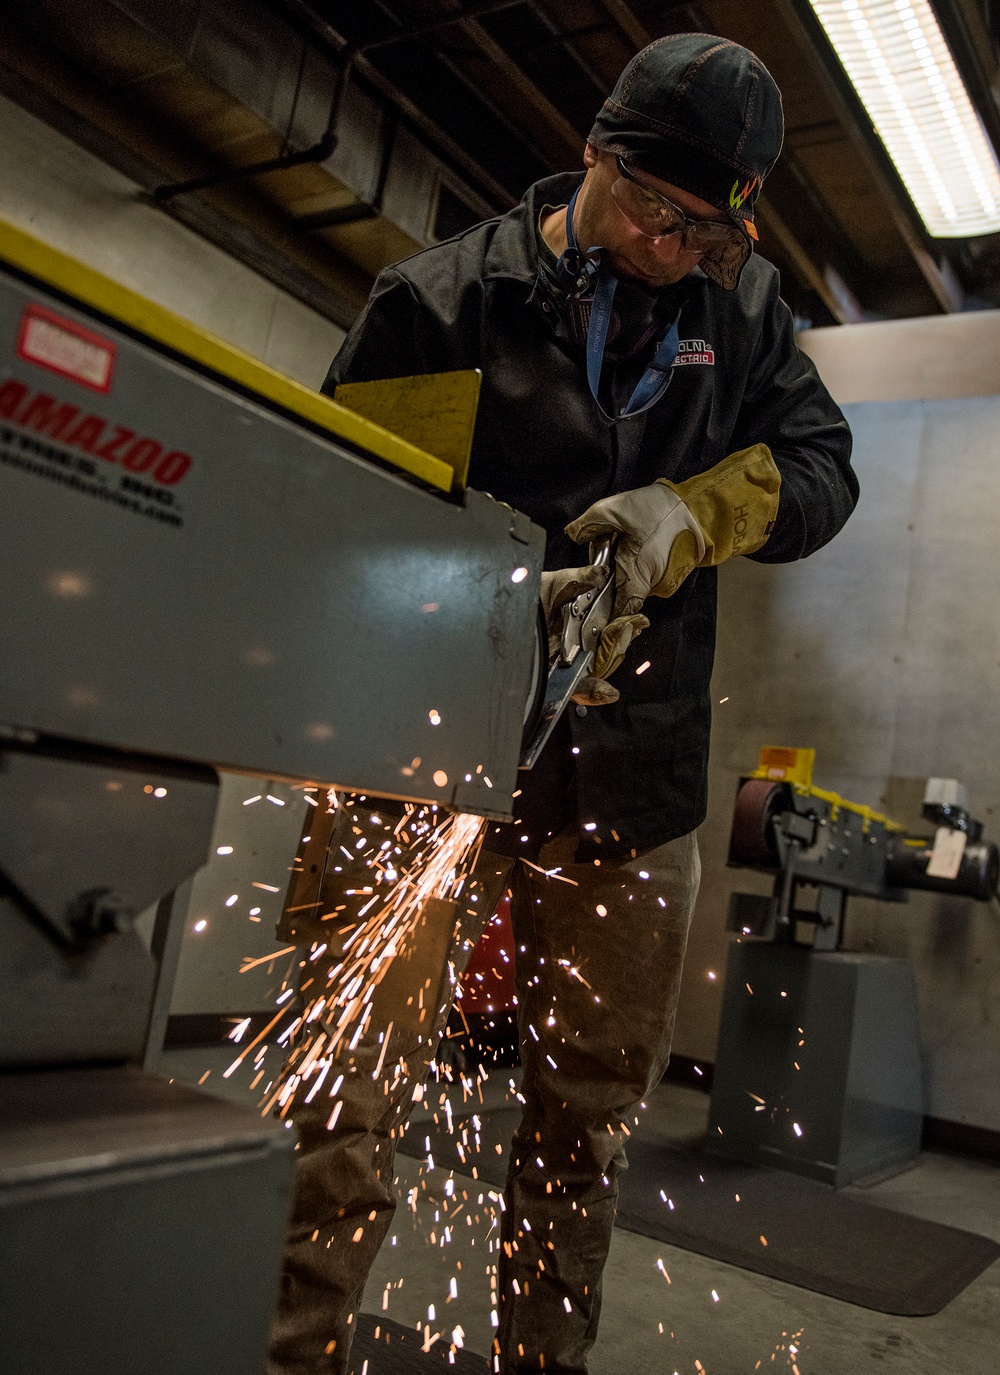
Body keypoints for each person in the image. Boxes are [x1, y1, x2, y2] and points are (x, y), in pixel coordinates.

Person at [269, 32, 858, 1375]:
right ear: (594, 153)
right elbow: (334, 516)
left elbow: (823, 471)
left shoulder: (741, 319)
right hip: (424, 762)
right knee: (348, 1096)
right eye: (657, 210)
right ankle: (290, 1351)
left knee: (583, 1120)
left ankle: (548, 1361)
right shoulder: (444, 303)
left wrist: (693, 513)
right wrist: (480, 594)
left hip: (631, 775)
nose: (675, 246)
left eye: (708, 228)